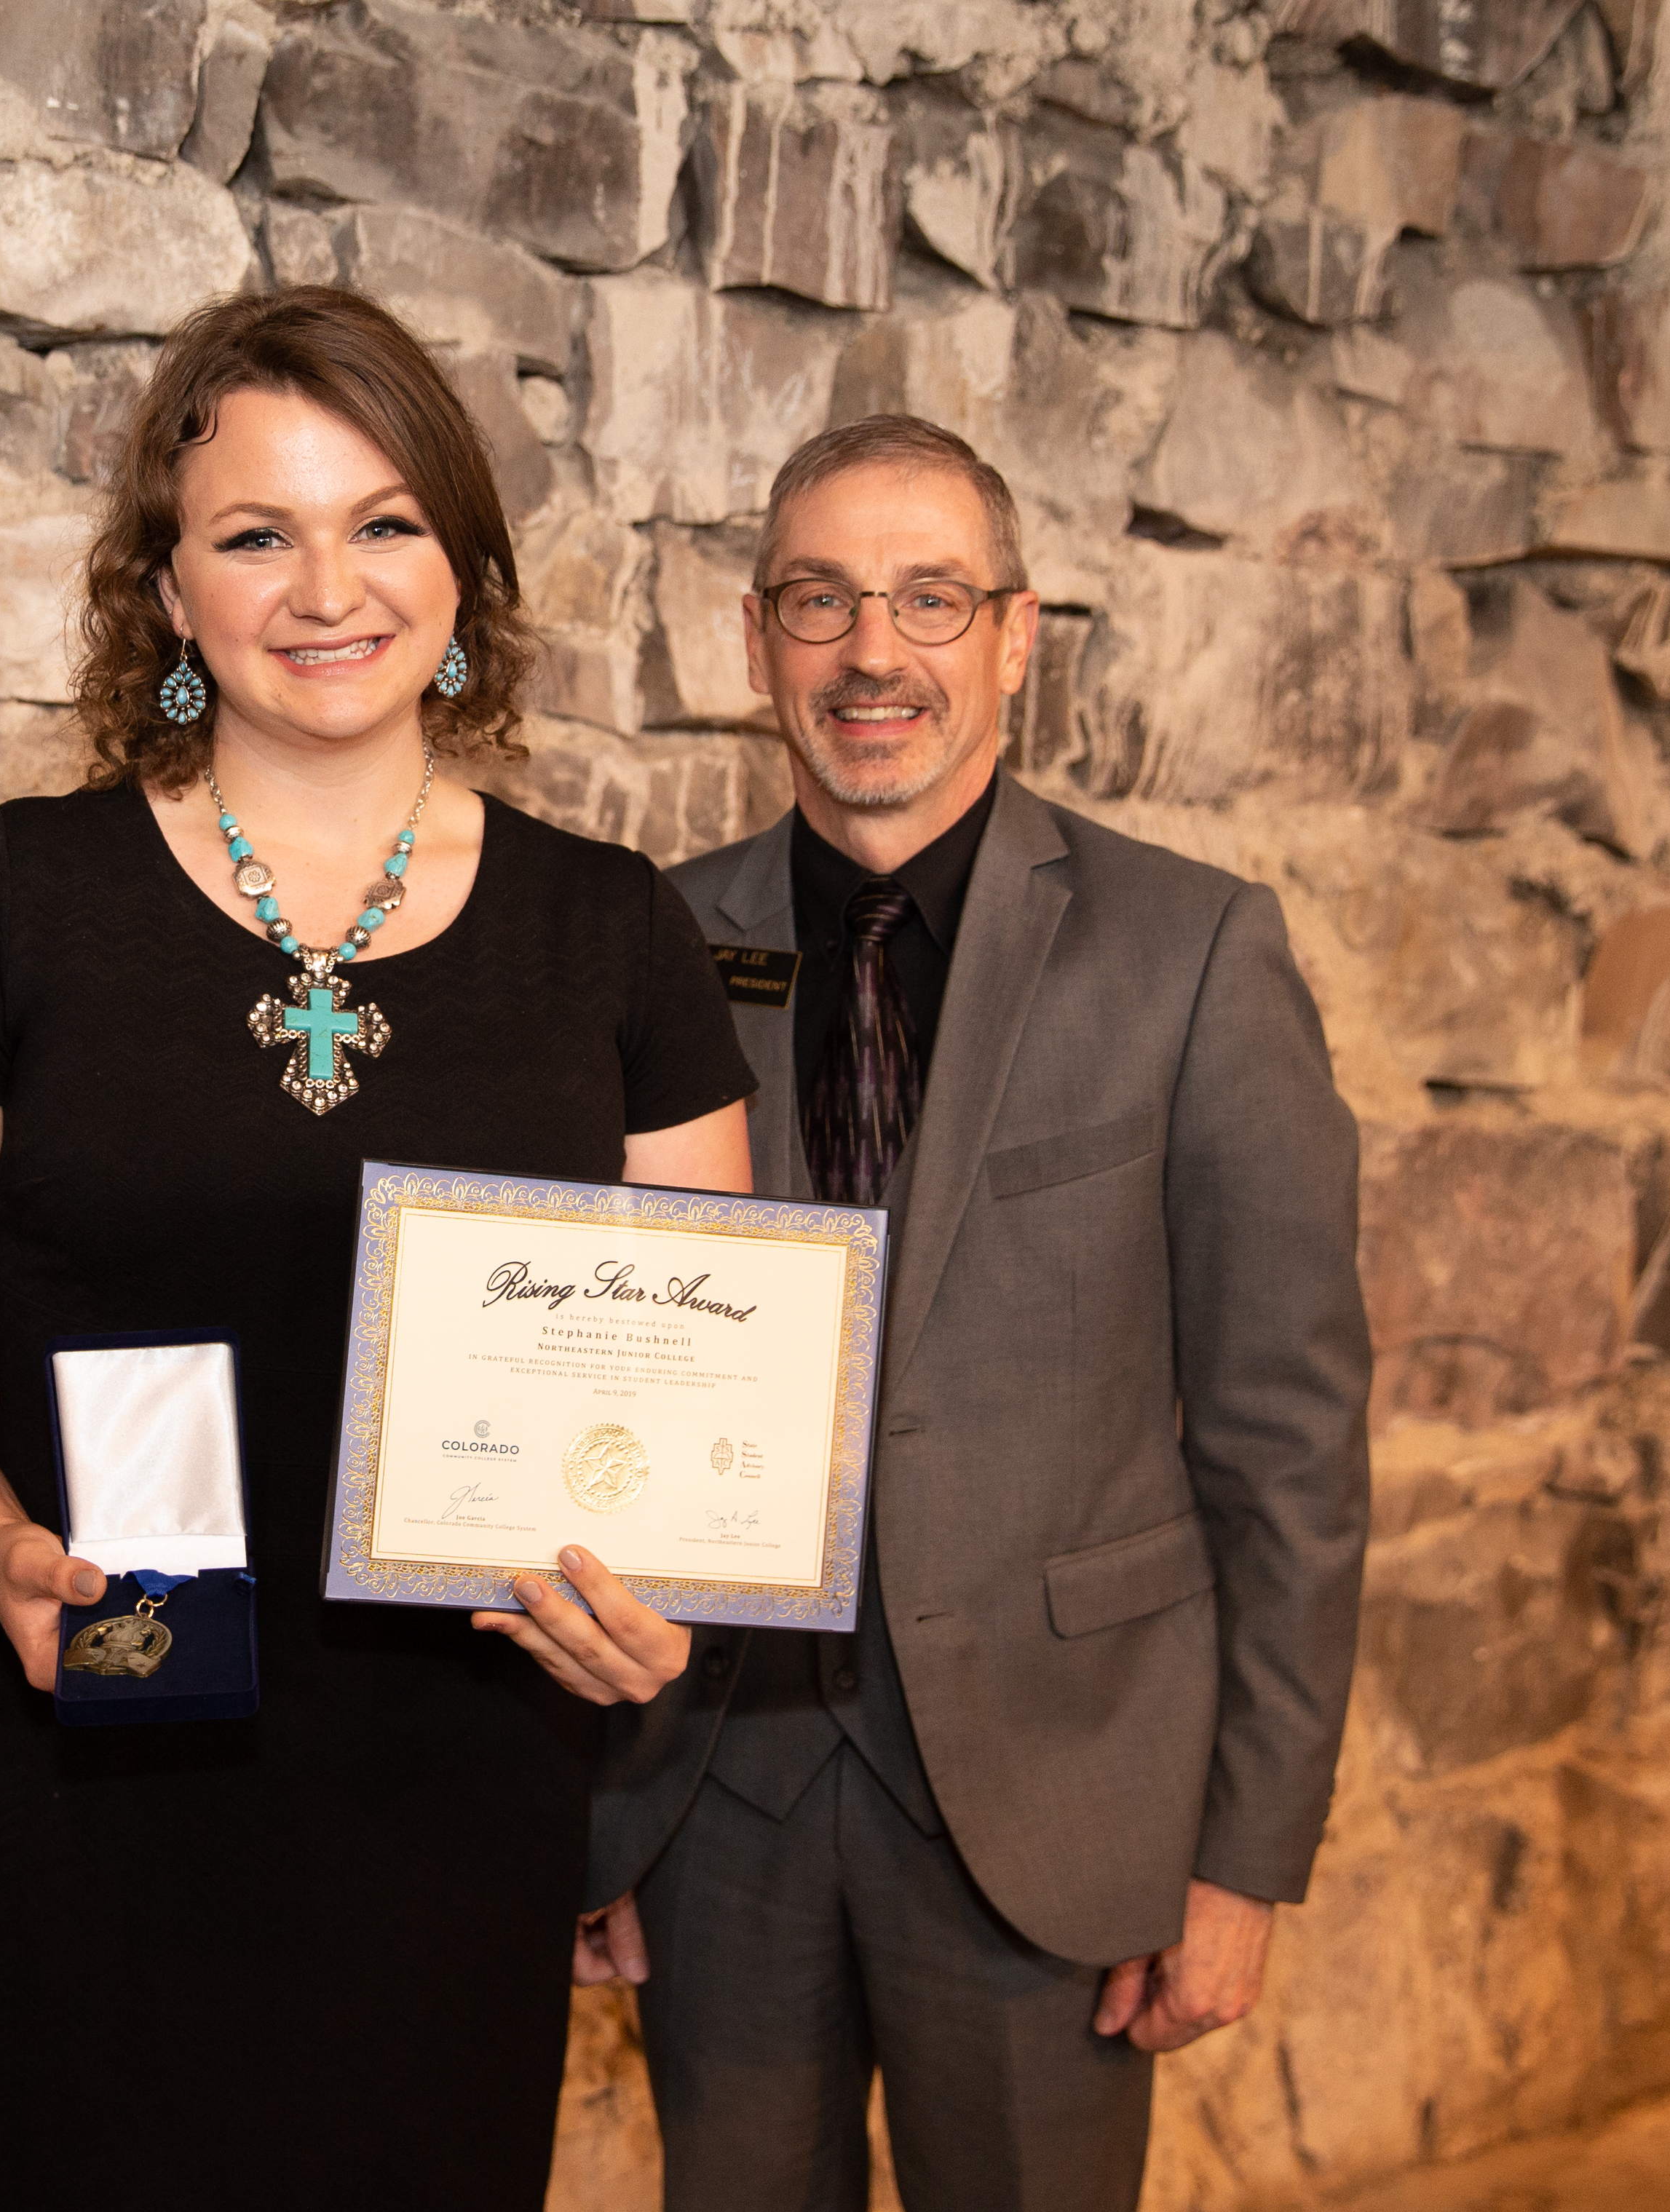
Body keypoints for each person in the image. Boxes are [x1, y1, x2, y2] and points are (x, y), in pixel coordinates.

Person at [0, 285, 758, 2203]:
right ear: (166, 595)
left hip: (460, 1787)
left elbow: (702, 1389)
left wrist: (664, 1602)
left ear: (462, 570)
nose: (324, 585)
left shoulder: (609, 939)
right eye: (254, 533)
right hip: (109, 1741)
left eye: (383, 522)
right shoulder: (16, 904)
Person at [588, 414, 1372, 2209]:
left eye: (929, 598)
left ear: (1016, 639)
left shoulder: (1193, 952)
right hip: (720, 1801)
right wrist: (592, 1803)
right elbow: (586, 1370)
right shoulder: (646, 945)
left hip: (1057, 1808)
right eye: (821, 600)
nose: (874, 651)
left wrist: (1242, 1855)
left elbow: (1288, 1443)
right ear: (754, 638)